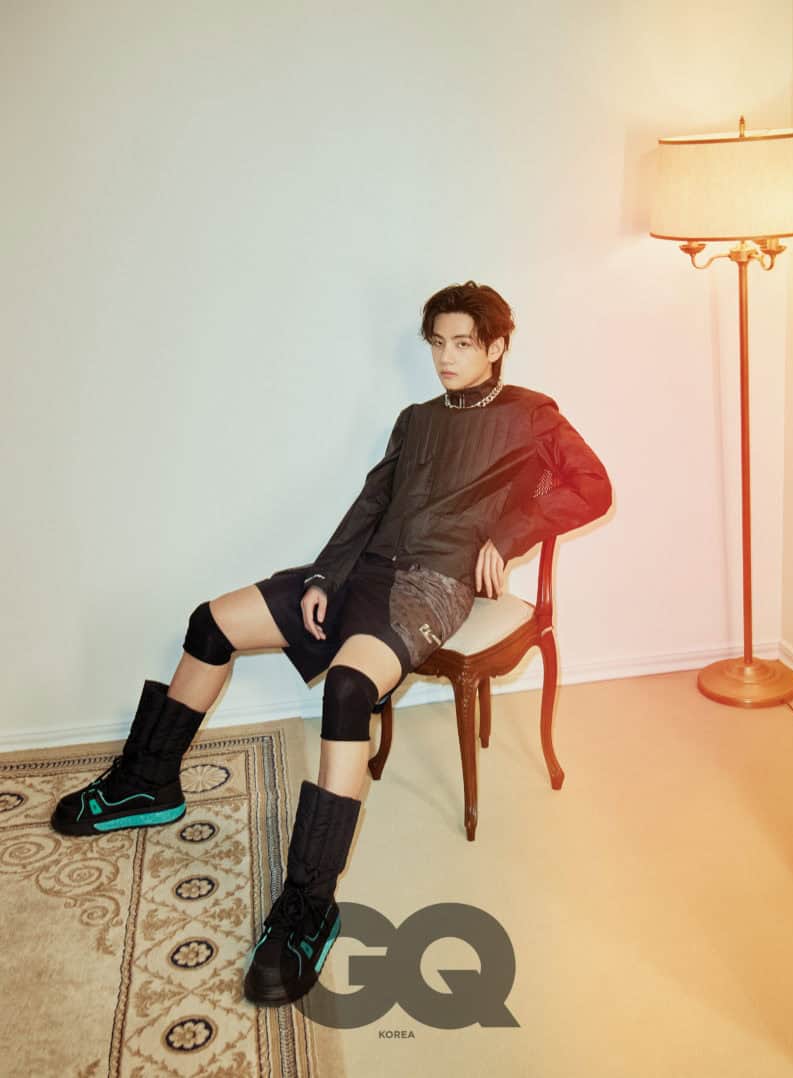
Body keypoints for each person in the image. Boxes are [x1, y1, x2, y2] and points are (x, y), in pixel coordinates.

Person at [50, 280, 613, 1008]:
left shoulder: (532, 415)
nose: (446, 358)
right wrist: (323, 575)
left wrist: (507, 536)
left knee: (348, 690)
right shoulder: (415, 419)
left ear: (497, 345)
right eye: (437, 344)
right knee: (210, 622)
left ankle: (308, 907)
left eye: (462, 344)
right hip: (362, 569)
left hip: (431, 588)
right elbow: (371, 502)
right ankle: (146, 781)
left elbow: (593, 487)